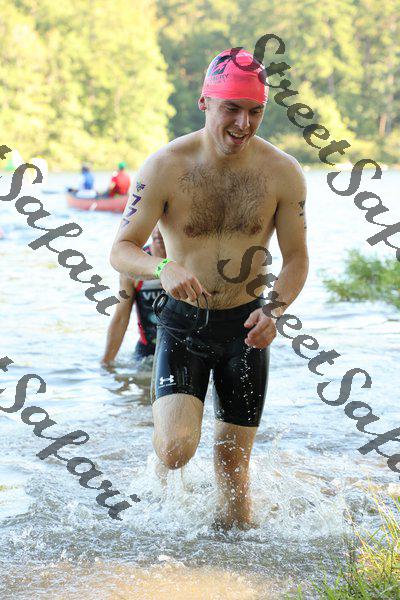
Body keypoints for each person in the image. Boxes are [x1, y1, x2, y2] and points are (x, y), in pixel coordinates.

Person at [110, 48, 309, 530]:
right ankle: (160, 479)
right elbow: (121, 249)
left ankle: (236, 559)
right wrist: (162, 267)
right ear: (205, 102)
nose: (244, 124)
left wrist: (275, 310)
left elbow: (297, 258)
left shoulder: (282, 172)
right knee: (176, 449)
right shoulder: (165, 166)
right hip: (183, 324)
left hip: (246, 327)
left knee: (233, 470)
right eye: (232, 109)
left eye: (255, 111)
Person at [102, 228, 166, 366]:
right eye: (155, 224)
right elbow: (121, 317)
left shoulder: (187, 262)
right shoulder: (135, 265)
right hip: (147, 352)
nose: (157, 232)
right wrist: (106, 363)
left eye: (162, 225)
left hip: (183, 348)